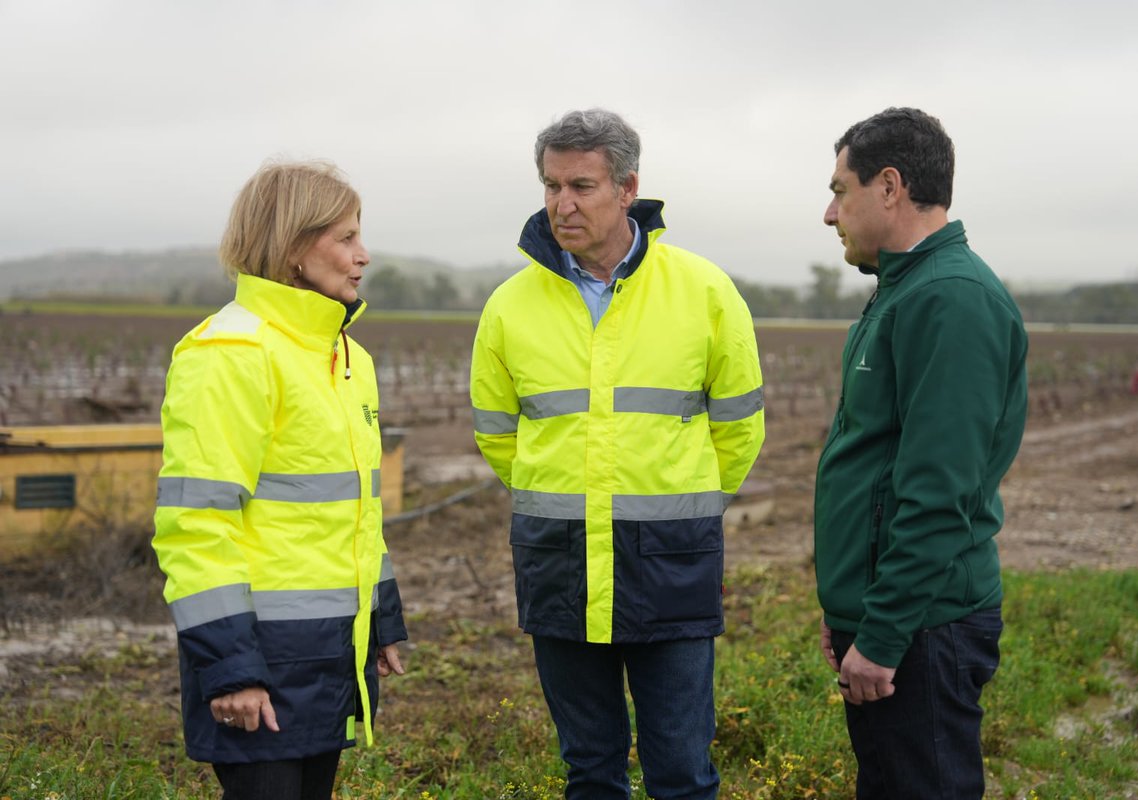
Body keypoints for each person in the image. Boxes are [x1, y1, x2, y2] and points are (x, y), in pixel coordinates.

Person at [470, 108, 765, 799]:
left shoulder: (705, 291)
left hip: (671, 563)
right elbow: (496, 433)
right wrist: (560, 492)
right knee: (590, 772)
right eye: (551, 186)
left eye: (582, 186)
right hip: (560, 563)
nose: (561, 204)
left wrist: (686, 502)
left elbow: (740, 428)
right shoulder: (510, 306)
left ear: (628, 188)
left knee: (682, 773)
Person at [153, 161, 408, 800]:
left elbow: (352, 512)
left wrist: (378, 620)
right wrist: (231, 669)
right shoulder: (230, 354)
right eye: (345, 238)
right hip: (259, 663)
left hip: (327, 653)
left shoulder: (347, 357)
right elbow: (197, 523)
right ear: (294, 247)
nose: (363, 255)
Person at [814, 107, 1028, 799]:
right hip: (894, 615)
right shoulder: (902, 292)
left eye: (840, 189)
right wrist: (849, 607)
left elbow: (939, 493)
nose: (828, 213)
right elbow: (876, 464)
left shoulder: (950, 300)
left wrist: (882, 634)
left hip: (925, 626)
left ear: (889, 186)